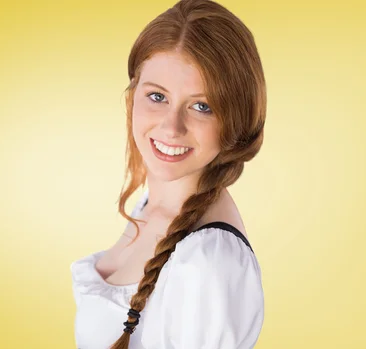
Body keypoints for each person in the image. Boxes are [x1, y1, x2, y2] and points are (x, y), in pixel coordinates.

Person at [70, 0, 267, 347]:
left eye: (201, 106)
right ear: (133, 94)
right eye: (157, 96)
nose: (171, 127)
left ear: (236, 120)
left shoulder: (209, 260)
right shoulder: (152, 203)